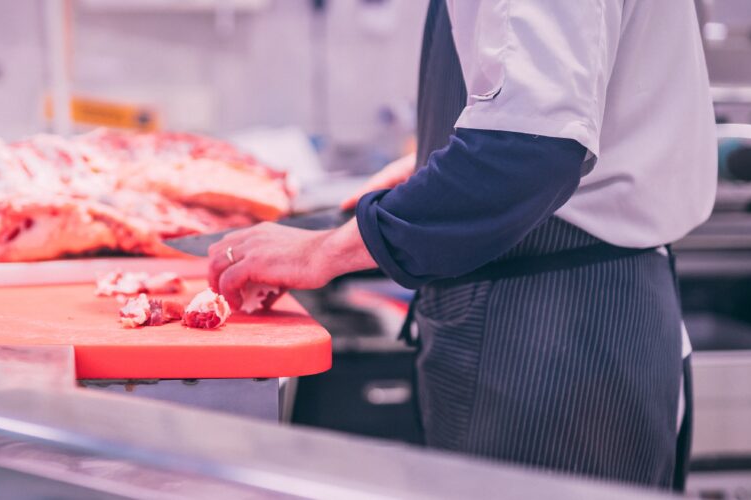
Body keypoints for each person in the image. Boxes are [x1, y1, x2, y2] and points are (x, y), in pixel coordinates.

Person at [207, 0, 715, 491]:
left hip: (551, 329)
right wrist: (431, 173)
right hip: (580, 305)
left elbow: (525, 152)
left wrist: (323, 251)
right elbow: (564, 112)